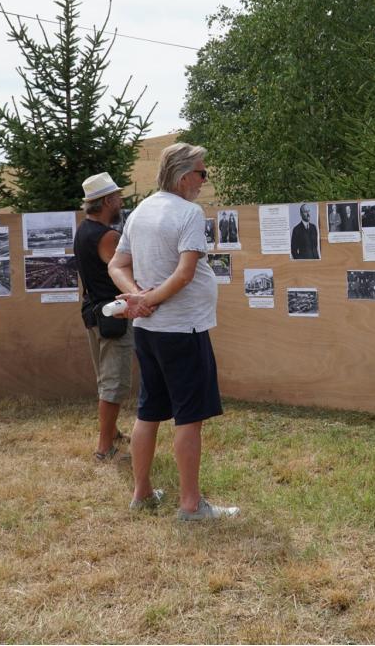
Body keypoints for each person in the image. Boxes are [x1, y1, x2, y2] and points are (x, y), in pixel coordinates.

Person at [108, 142, 239, 521]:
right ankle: (191, 504)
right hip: (183, 328)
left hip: (150, 331)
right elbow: (183, 274)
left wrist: (136, 299)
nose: (204, 179)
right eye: (202, 172)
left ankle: (142, 492)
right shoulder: (189, 213)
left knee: (149, 411)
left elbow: (117, 265)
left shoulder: (142, 210)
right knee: (188, 416)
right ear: (184, 177)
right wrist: (145, 300)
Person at [75, 172, 134, 461]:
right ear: (108, 200)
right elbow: (120, 271)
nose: (121, 201)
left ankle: (112, 434)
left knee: (105, 378)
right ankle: (104, 448)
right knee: (114, 382)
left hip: (94, 313)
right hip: (113, 316)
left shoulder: (83, 230)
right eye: (118, 197)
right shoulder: (108, 236)